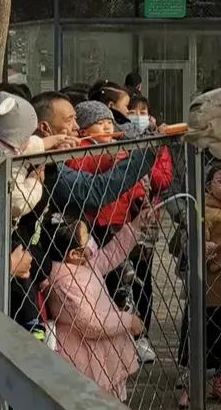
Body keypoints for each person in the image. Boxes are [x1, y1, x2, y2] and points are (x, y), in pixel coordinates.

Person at [41, 210, 156, 410]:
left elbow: (112, 253)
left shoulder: (85, 264)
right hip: (84, 356)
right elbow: (91, 323)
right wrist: (128, 320)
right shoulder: (62, 278)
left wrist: (136, 225)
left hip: (104, 355)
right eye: (85, 242)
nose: (93, 245)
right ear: (72, 252)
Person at [67, 100, 172, 366]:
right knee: (108, 281)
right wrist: (117, 158)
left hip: (126, 221)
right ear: (83, 129)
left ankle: (135, 333)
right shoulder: (83, 151)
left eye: (108, 123)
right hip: (98, 225)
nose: (107, 127)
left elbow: (151, 180)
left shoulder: (121, 148)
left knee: (135, 280)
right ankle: (115, 328)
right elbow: (91, 171)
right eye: (99, 123)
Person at [173, 166, 221, 408]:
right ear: (208, 185)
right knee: (200, 337)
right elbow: (193, 246)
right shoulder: (201, 211)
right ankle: (190, 385)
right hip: (210, 289)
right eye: (220, 181)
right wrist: (216, 248)